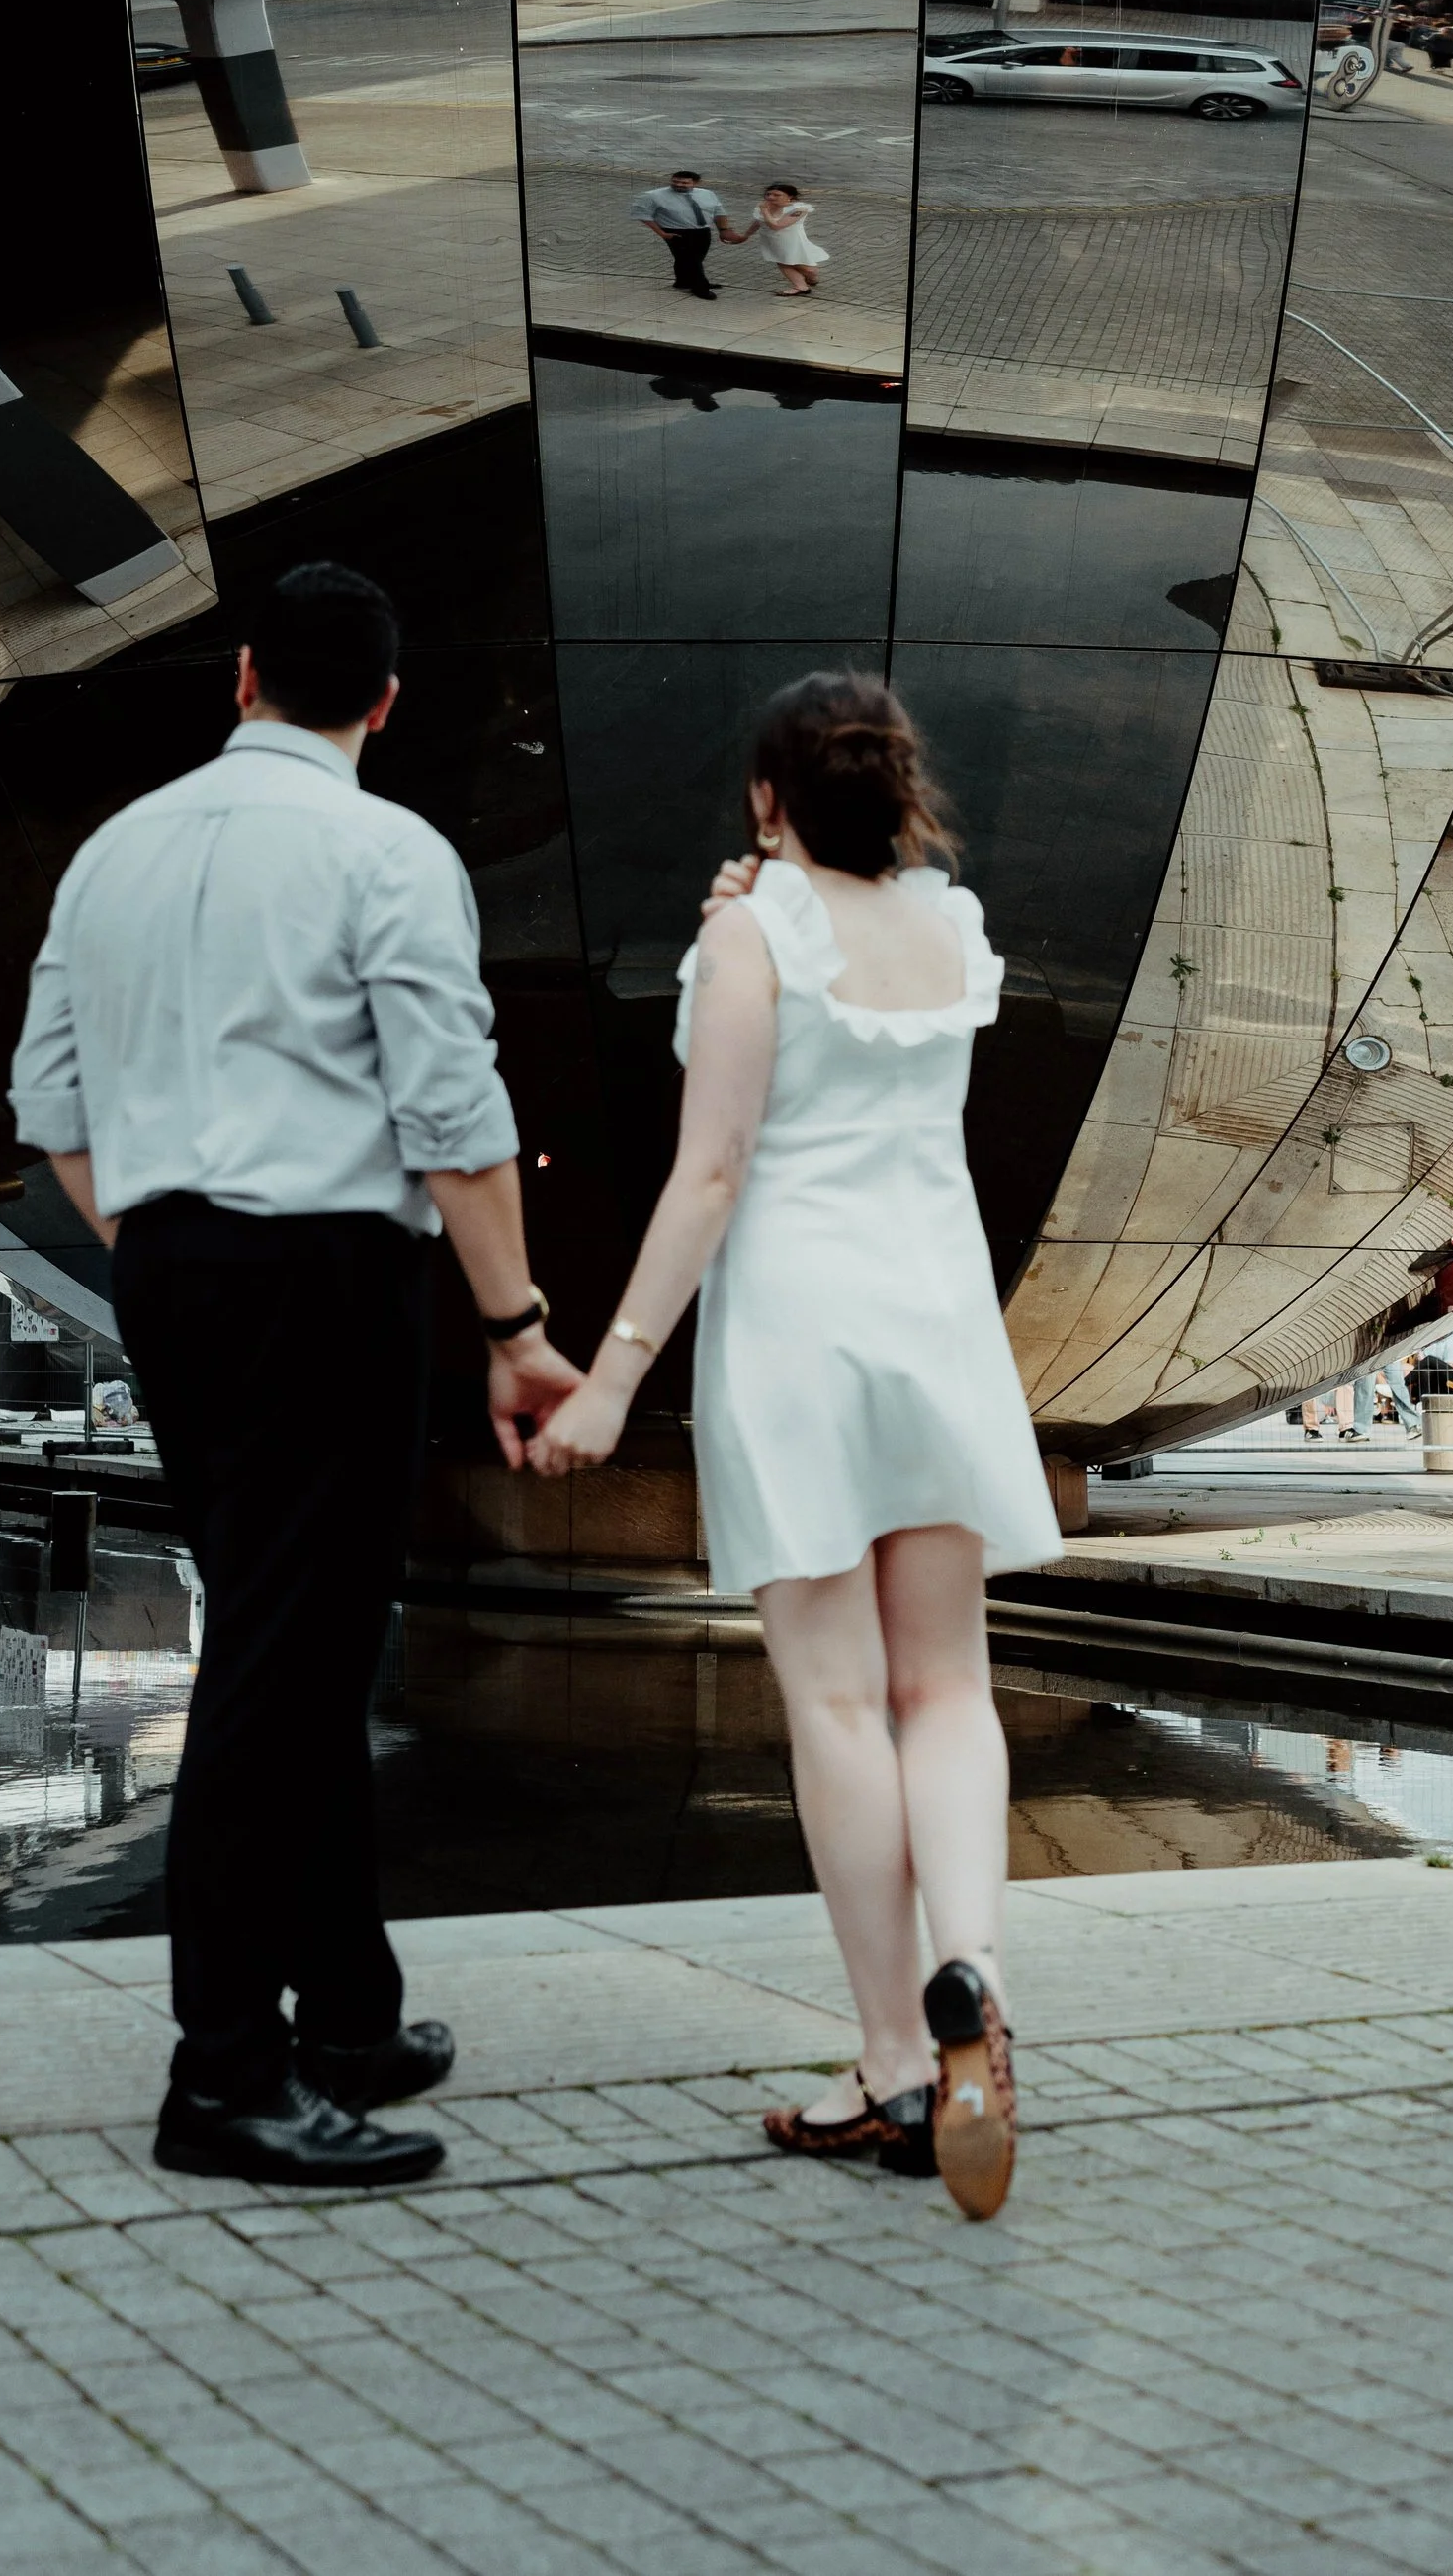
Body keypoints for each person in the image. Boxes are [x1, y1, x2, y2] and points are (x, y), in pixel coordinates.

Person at [12, 560, 582, 2191]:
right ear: (384, 703)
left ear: (242, 675)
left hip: (175, 1267)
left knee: (293, 1625)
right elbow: (452, 1111)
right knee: (286, 1653)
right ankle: (223, 2075)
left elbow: (48, 1101)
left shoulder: (118, 850)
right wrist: (516, 1325)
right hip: (322, 1270)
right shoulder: (384, 848)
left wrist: (163, 1238)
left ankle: (345, 2009)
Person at [529, 672, 1062, 2219]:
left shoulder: (748, 931)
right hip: (941, 1321)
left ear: (767, 799)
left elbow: (714, 1173)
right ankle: (978, 1977)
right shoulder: (953, 928)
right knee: (946, 1684)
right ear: (899, 792)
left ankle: (900, 2056)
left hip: (798, 1333)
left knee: (834, 1699)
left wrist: (616, 1377)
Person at [632, 167, 727, 301]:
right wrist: (662, 233)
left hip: (702, 230)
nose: (678, 185)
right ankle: (700, 287)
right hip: (676, 231)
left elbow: (718, 211)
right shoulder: (654, 195)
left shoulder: (707, 193)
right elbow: (643, 215)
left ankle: (683, 281)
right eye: (675, 181)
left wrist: (724, 230)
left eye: (684, 183)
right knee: (691, 260)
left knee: (694, 258)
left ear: (695, 183)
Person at [726, 180, 829, 298]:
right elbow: (758, 222)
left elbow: (776, 226)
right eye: (768, 194)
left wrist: (765, 211)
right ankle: (800, 286)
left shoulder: (799, 209)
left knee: (809, 269)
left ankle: (810, 278)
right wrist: (746, 235)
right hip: (772, 241)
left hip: (792, 241)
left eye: (776, 195)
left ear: (789, 196)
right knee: (783, 261)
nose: (770, 197)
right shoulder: (765, 208)